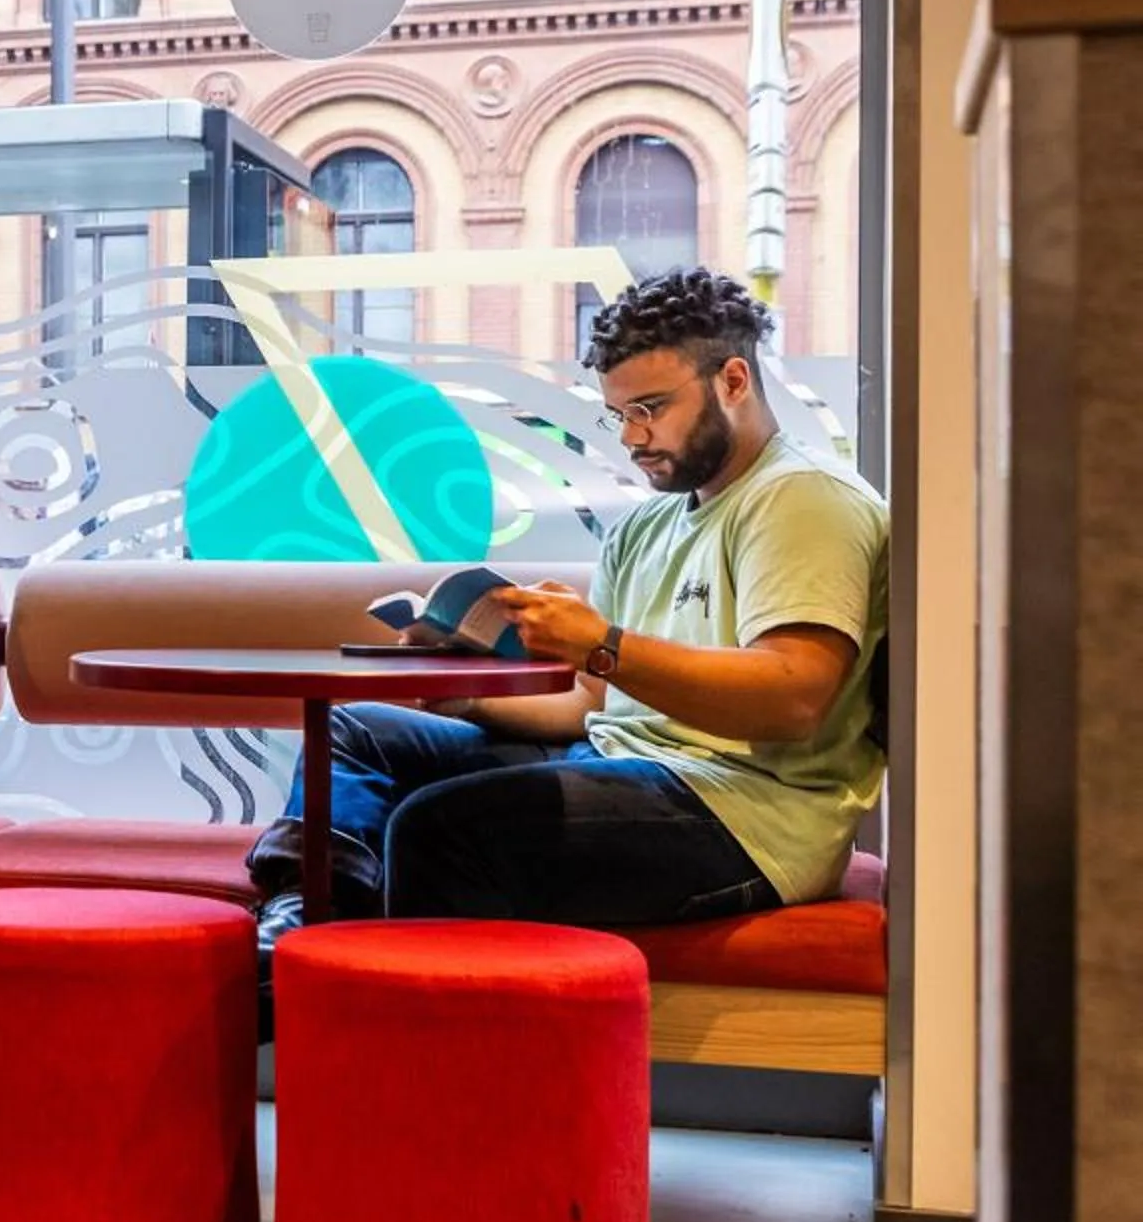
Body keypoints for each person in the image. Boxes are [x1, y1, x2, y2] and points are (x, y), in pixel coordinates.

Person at [248, 267, 889, 962]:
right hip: (622, 759)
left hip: (748, 815)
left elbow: (794, 699)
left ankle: (425, 1048)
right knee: (353, 733)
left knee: (441, 829)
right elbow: (596, 703)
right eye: (620, 414)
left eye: (652, 407)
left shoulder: (803, 501)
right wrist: (465, 697)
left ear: (734, 382)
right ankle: (299, 941)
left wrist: (602, 645)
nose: (632, 436)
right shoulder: (647, 526)